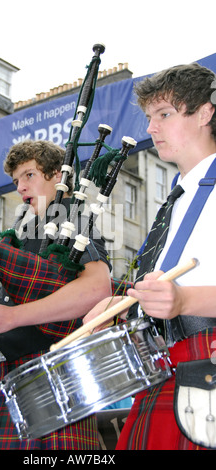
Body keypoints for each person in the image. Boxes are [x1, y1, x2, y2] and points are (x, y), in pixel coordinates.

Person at [83, 63, 216, 450]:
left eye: (165, 114)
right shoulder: (176, 199)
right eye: (148, 117)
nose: (151, 128)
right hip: (162, 364)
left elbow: (183, 295)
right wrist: (121, 304)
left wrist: (185, 299)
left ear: (206, 112)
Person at [0, 140, 112, 450]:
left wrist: (11, 317)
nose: (20, 187)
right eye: (16, 180)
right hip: (14, 373)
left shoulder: (73, 219)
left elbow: (98, 290)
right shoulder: (30, 233)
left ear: (59, 175)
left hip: (52, 372)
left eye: (29, 175)